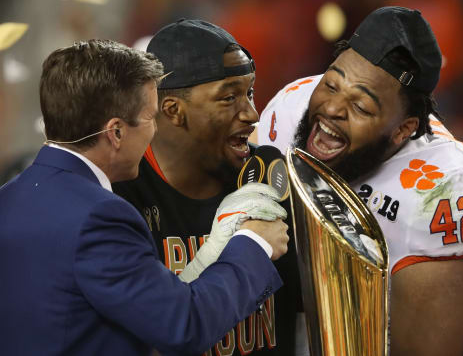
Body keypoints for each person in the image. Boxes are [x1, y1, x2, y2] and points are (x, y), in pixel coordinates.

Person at [0, 39, 290, 355]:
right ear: (117, 132)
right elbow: (183, 326)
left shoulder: (9, 198)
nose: (155, 131)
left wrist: (209, 257)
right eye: (151, 117)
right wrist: (253, 243)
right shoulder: (101, 216)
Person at [254, 6, 463, 356]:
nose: (333, 108)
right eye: (332, 84)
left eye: (361, 107)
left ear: (403, 130)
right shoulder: (294, 104)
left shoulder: (449, 189)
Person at [112, 19, 301, 355]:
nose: (252, 114)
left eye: (250, 93)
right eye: (229, 98)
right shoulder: (118, 198)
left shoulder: (274, 179)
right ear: (173, 111)